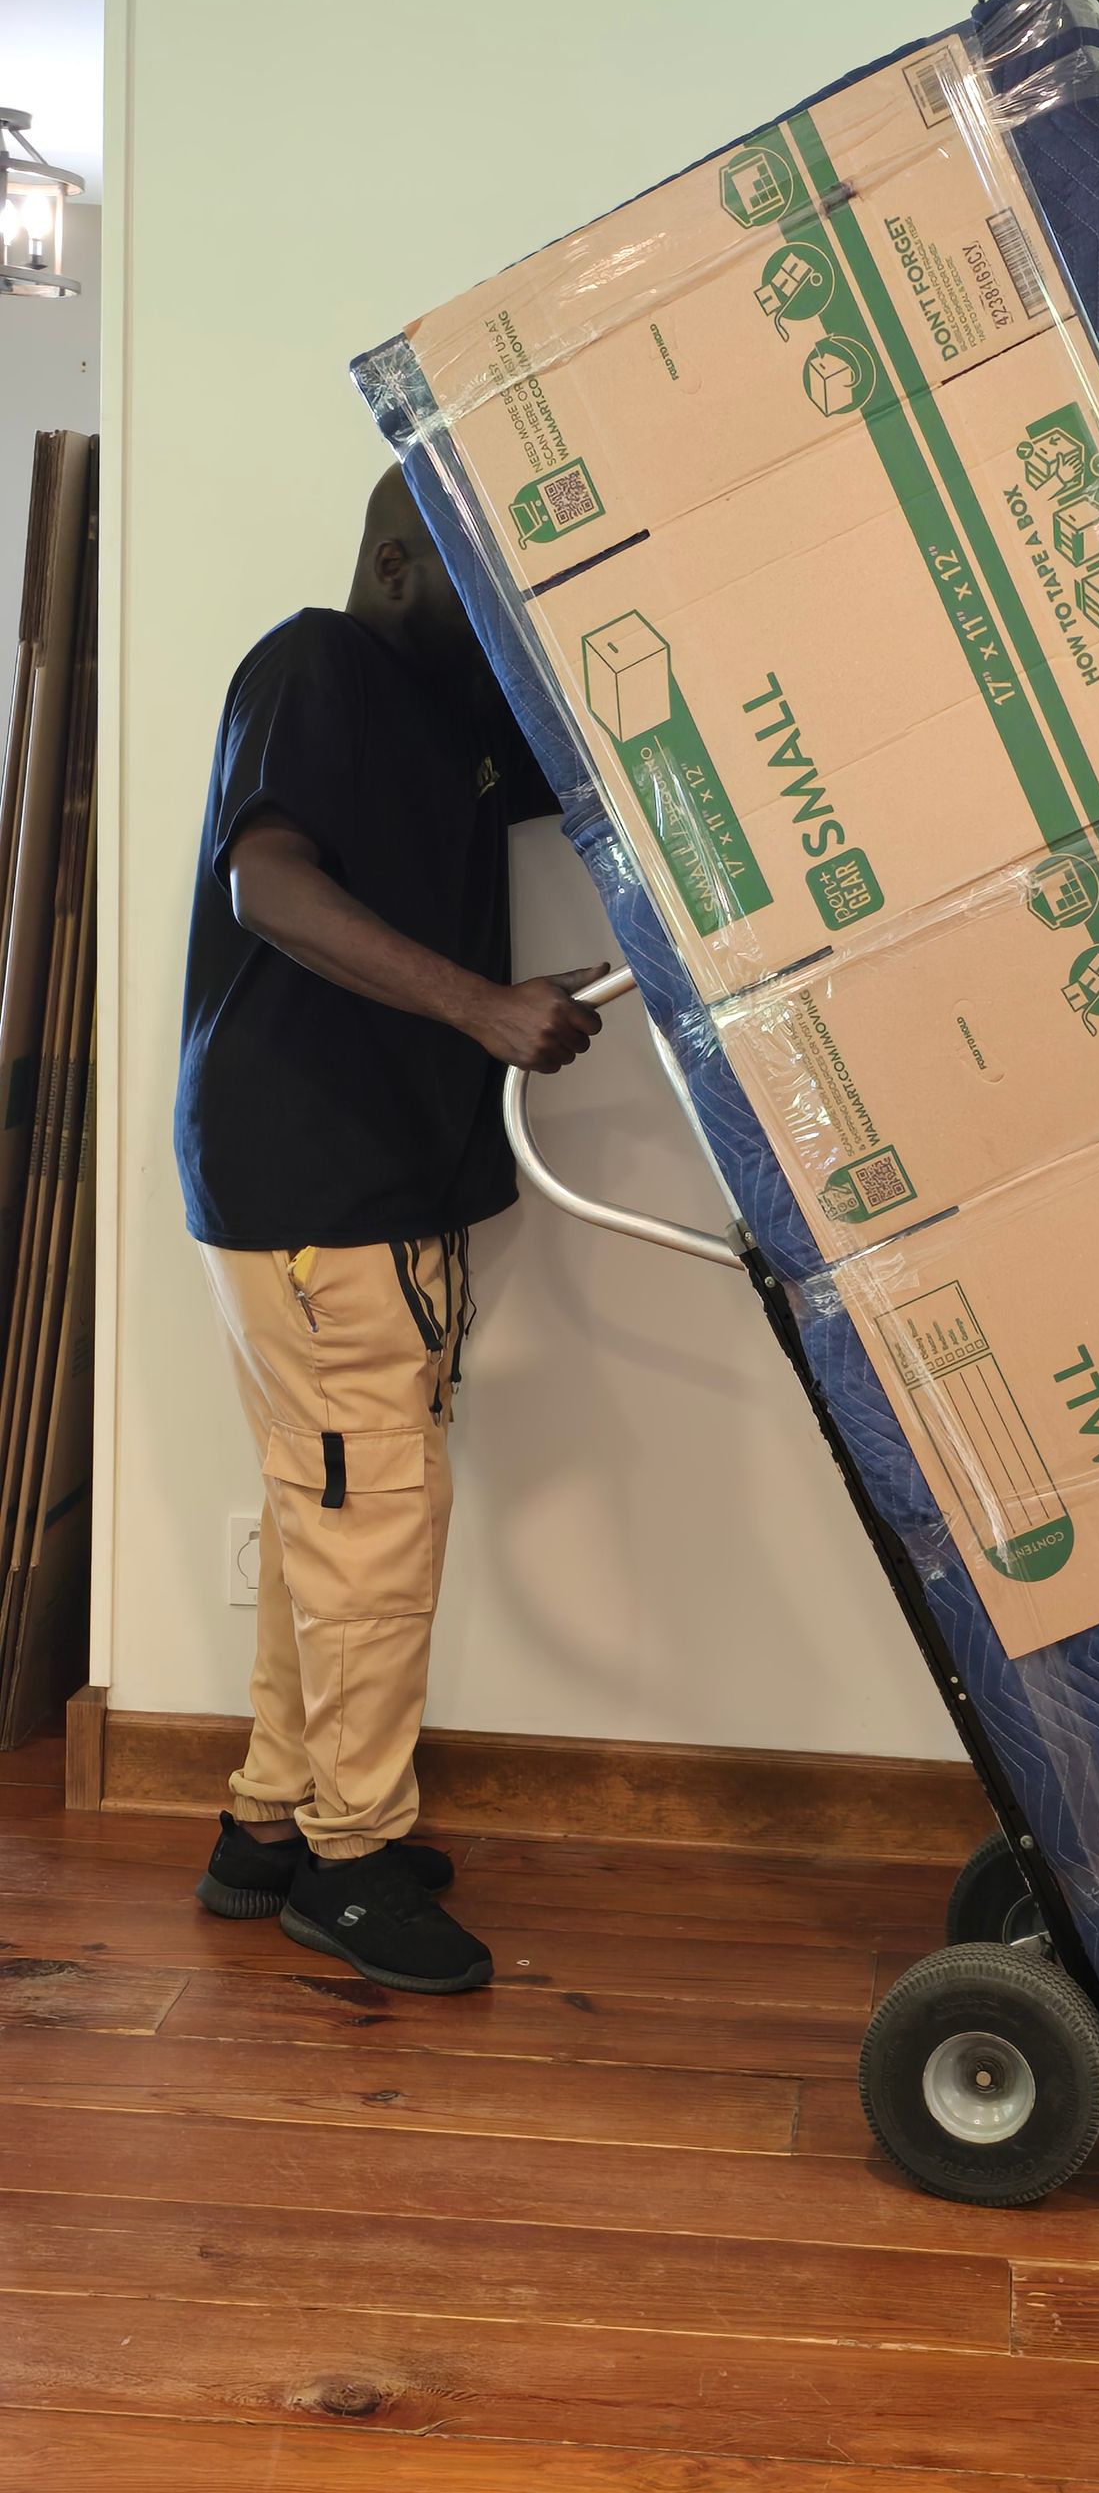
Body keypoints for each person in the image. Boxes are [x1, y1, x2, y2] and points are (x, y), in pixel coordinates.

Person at [174, 463, 605, 1994]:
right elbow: (270, 887)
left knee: (329, 1513)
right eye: (483, 583)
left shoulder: (458, 723)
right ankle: (350, 1867)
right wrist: (488, 1008)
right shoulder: (318, 665)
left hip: (376, 1186)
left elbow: (616, 764)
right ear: (400, 565)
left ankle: (267, 1827)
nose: (506, 619)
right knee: (371, 1528)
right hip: (317, 1186)